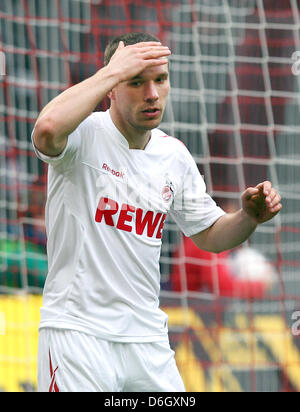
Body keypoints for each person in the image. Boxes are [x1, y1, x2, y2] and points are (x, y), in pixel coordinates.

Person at [32, 32, 282, 392]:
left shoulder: (174, 156)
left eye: (160, 80)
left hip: (147, 339)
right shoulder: (83, 135)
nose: (151, 94)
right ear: (113, 87)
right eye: (136, 82)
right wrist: (113, 71)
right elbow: (46, 130)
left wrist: (248, 218)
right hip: (78, 334)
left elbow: (211, 235)